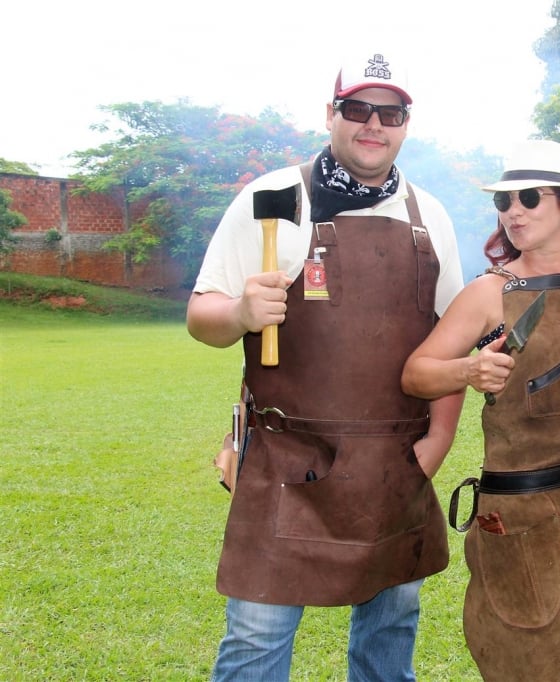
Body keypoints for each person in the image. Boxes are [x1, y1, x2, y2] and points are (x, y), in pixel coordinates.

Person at [186, 50, 464, 681]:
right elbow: (201, 315)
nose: (374, 124)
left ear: (405, 123)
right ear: (331, 114)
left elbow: (451, 340)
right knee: (256, 641)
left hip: (394, 466)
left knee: (389, 633)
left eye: (389, 113)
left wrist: (440, 440)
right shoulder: (273, 199)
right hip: (287, 461)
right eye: (358, 109)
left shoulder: (429, 217)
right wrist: (238, 315)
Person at [401, 140, 560, 681]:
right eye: (504, 201)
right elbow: (416, 373)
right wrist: (468, 370)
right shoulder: (490, 293)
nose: (513, 212)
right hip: (524, 520)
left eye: (529, 198)